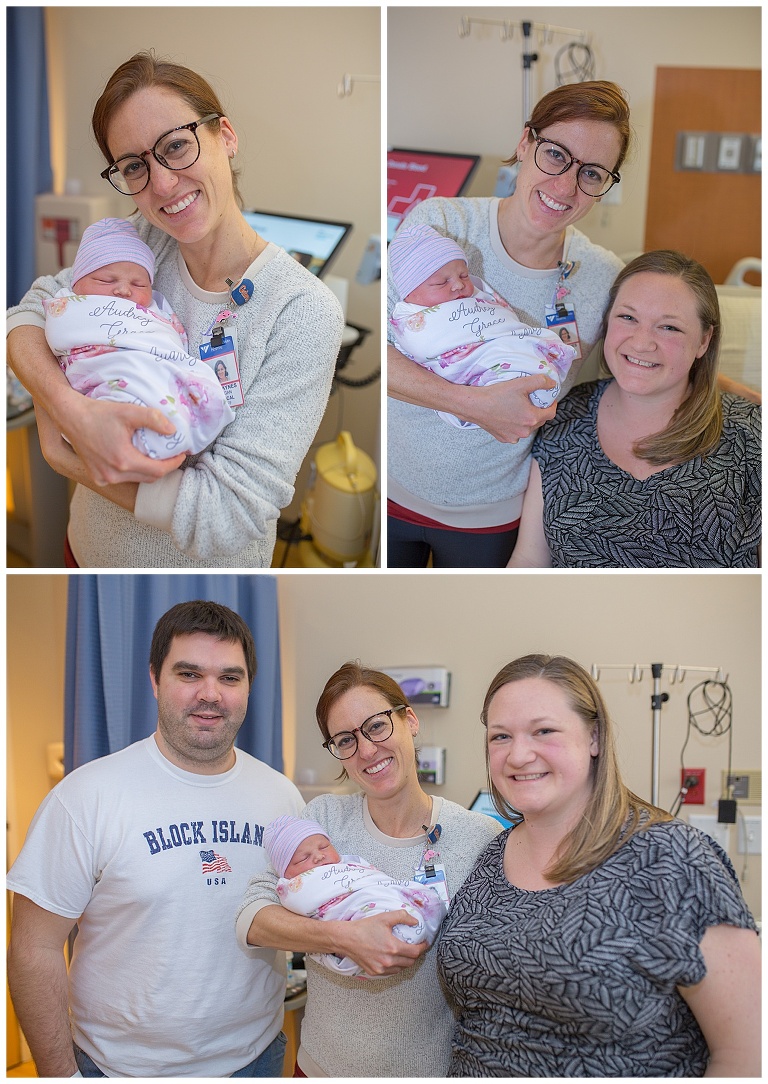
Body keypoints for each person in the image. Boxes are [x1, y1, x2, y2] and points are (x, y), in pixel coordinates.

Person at [7, 52, 344, 567]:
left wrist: (72, 459)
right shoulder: (139, 243)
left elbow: (230, 515)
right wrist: (68, 407)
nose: (163, 185)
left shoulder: (301, 311)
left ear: (225, 137)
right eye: (135, 166)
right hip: (86, 553)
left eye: (177, 147)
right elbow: (30, 310)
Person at [7, 600, 304, 1078]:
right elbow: (32, 951)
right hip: (119, 1068)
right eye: (189, 674)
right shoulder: (86, 797)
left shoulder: (281, 797)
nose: (211, 694)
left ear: (249, 685)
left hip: (257, 1060)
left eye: (230, 677)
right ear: (154, 679)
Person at [437, 654, 761, 1077]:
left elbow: (747, 1056)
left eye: (544, 731)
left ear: (593, 737)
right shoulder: (489, 859)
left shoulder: (671, 859)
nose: (518, 755)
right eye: (501, 737)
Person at [387, 81, 632, 567]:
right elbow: (381, 351)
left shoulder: (602, 277)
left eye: (592, 173)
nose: (566, 187)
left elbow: (655, 354)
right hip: (395, 491)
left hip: (493, 517)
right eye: (556, 155)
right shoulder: (441, 226)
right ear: (525, 143)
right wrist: (472, 404)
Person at [236, 663, 501, 1076]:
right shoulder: (322, 822)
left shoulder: (477, 837)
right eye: (345, 739)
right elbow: (252, 917)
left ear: (409, 720)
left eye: (376, 726)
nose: (366, 750)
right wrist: (344, 937)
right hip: (321, 1069)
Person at [508, 251, 761, 567]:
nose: (642, 343)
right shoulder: (563, 417)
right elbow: (530, 558)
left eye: (669, 327)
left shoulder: (752, 433)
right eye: (628, 317)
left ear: (704, 341)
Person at [46, 217, 234, 459]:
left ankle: (163, 427)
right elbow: (55, 327)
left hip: (150, 365)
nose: (124, 290)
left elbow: (173, 340)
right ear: (76, 284)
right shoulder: (68, 304)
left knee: (173, 389)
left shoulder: (156, 308)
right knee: (120, 396)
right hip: (104, 371)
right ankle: (132, 430)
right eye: (106, 280)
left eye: (138, 284)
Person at [388, 223, 576, 429]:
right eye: (441, 282)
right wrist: (472, 404)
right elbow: (421, 347)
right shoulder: (413, 319)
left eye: (463, 275)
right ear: (409, 295)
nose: (458, 285)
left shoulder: (477, 295)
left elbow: (503, 323)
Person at [263, 814, 446, 976]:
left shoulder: (348, 864)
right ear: (285, 873)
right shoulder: (295, 885)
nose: (319, 856)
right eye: (303, 858)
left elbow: (373, 881)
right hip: (353, 914)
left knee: (426, 898)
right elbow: (258, 916)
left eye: (324, 846)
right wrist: (345, 937)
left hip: (378, 896)